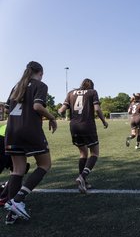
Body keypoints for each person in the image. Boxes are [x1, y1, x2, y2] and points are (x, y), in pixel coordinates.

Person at [3, 61, 57, 224]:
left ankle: (12, 214)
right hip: (29, 130)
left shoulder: (17, 86)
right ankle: (18, 200)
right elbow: (37, 106)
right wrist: (52, 117)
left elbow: (7, 108)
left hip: (11, 130)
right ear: (40, 72)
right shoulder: (40, 85)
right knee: (45, 165)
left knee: (17, 170)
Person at [58, 78, 108, 194]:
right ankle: (82, 177)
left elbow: (61, 110)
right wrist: (104, 121)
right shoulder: (92, 92)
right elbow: (97, 109)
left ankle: (84, 181)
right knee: (94, 153)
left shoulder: (70, 93)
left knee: (83, 153)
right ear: (91, 85)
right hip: (87, 125)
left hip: (74, 126)